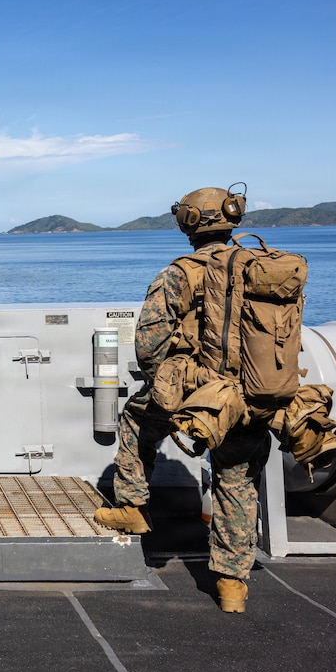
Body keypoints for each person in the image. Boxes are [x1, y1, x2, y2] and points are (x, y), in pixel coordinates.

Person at [94, 185, 288, 613]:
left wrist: (171, 384)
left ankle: (132, 507)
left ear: (188, 224)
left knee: (134, 420)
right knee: (236, 480)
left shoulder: (180, 272)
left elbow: (149, 344)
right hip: (252, 394)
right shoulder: (266, 268)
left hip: (197, 392)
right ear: (234, 217)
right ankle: (232, 586)